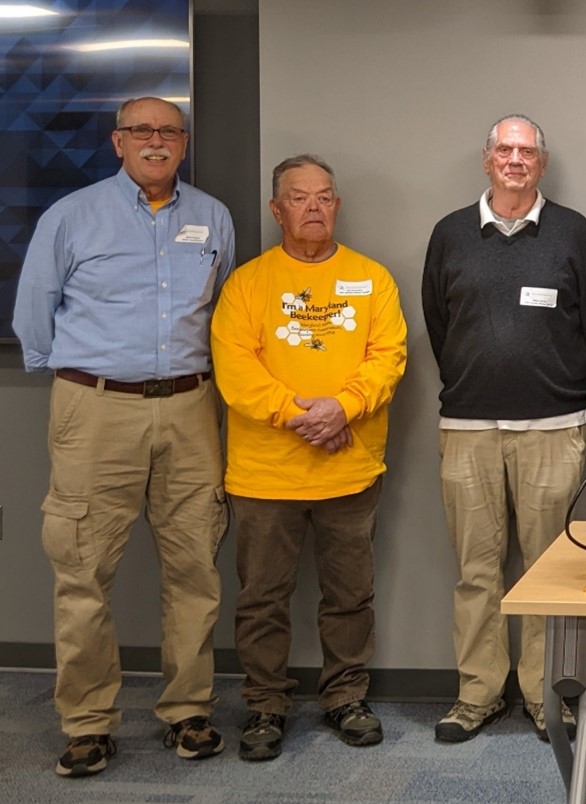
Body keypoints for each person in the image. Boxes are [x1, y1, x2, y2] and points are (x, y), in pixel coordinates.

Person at [13, 96, 234, 778]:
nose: (157, 142)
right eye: (142, 130)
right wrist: (94, 378)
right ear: (117, 142)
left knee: (195, 562)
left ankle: (188, 709)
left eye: (170, 131)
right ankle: (86, 722)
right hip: (96, 408)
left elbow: (222, 311)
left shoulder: (212, 217)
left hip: (192, 410)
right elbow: (34, 317)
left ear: (184, 142)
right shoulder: (72, 216)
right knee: (82, 569)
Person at [211, 154, 407, 761]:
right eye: (299, 198)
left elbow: (388, 357)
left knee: (350, 596)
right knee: (261, 598)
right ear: (277, 210)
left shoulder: (373, 279)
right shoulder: (247, 283)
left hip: (348, 470)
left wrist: (342, 409)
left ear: (337, 206)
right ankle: (266, 704)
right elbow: (236, 369)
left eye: (324, 196)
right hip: (265, 476)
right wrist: (304, 416)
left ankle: (345, 696)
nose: (314, 207)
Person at [422, 114, 586, 743]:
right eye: (504, 149)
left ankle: (541, 696)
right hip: (469, 428)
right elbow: (438, 324)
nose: (514, 159)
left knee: (546, 571)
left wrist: (554, 383)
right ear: (486, 159)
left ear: (542, 163)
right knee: (476, 569)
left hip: (553, 426)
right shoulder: (450, 234)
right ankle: (477, 694)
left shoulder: (573, 233)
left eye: (526, 151)